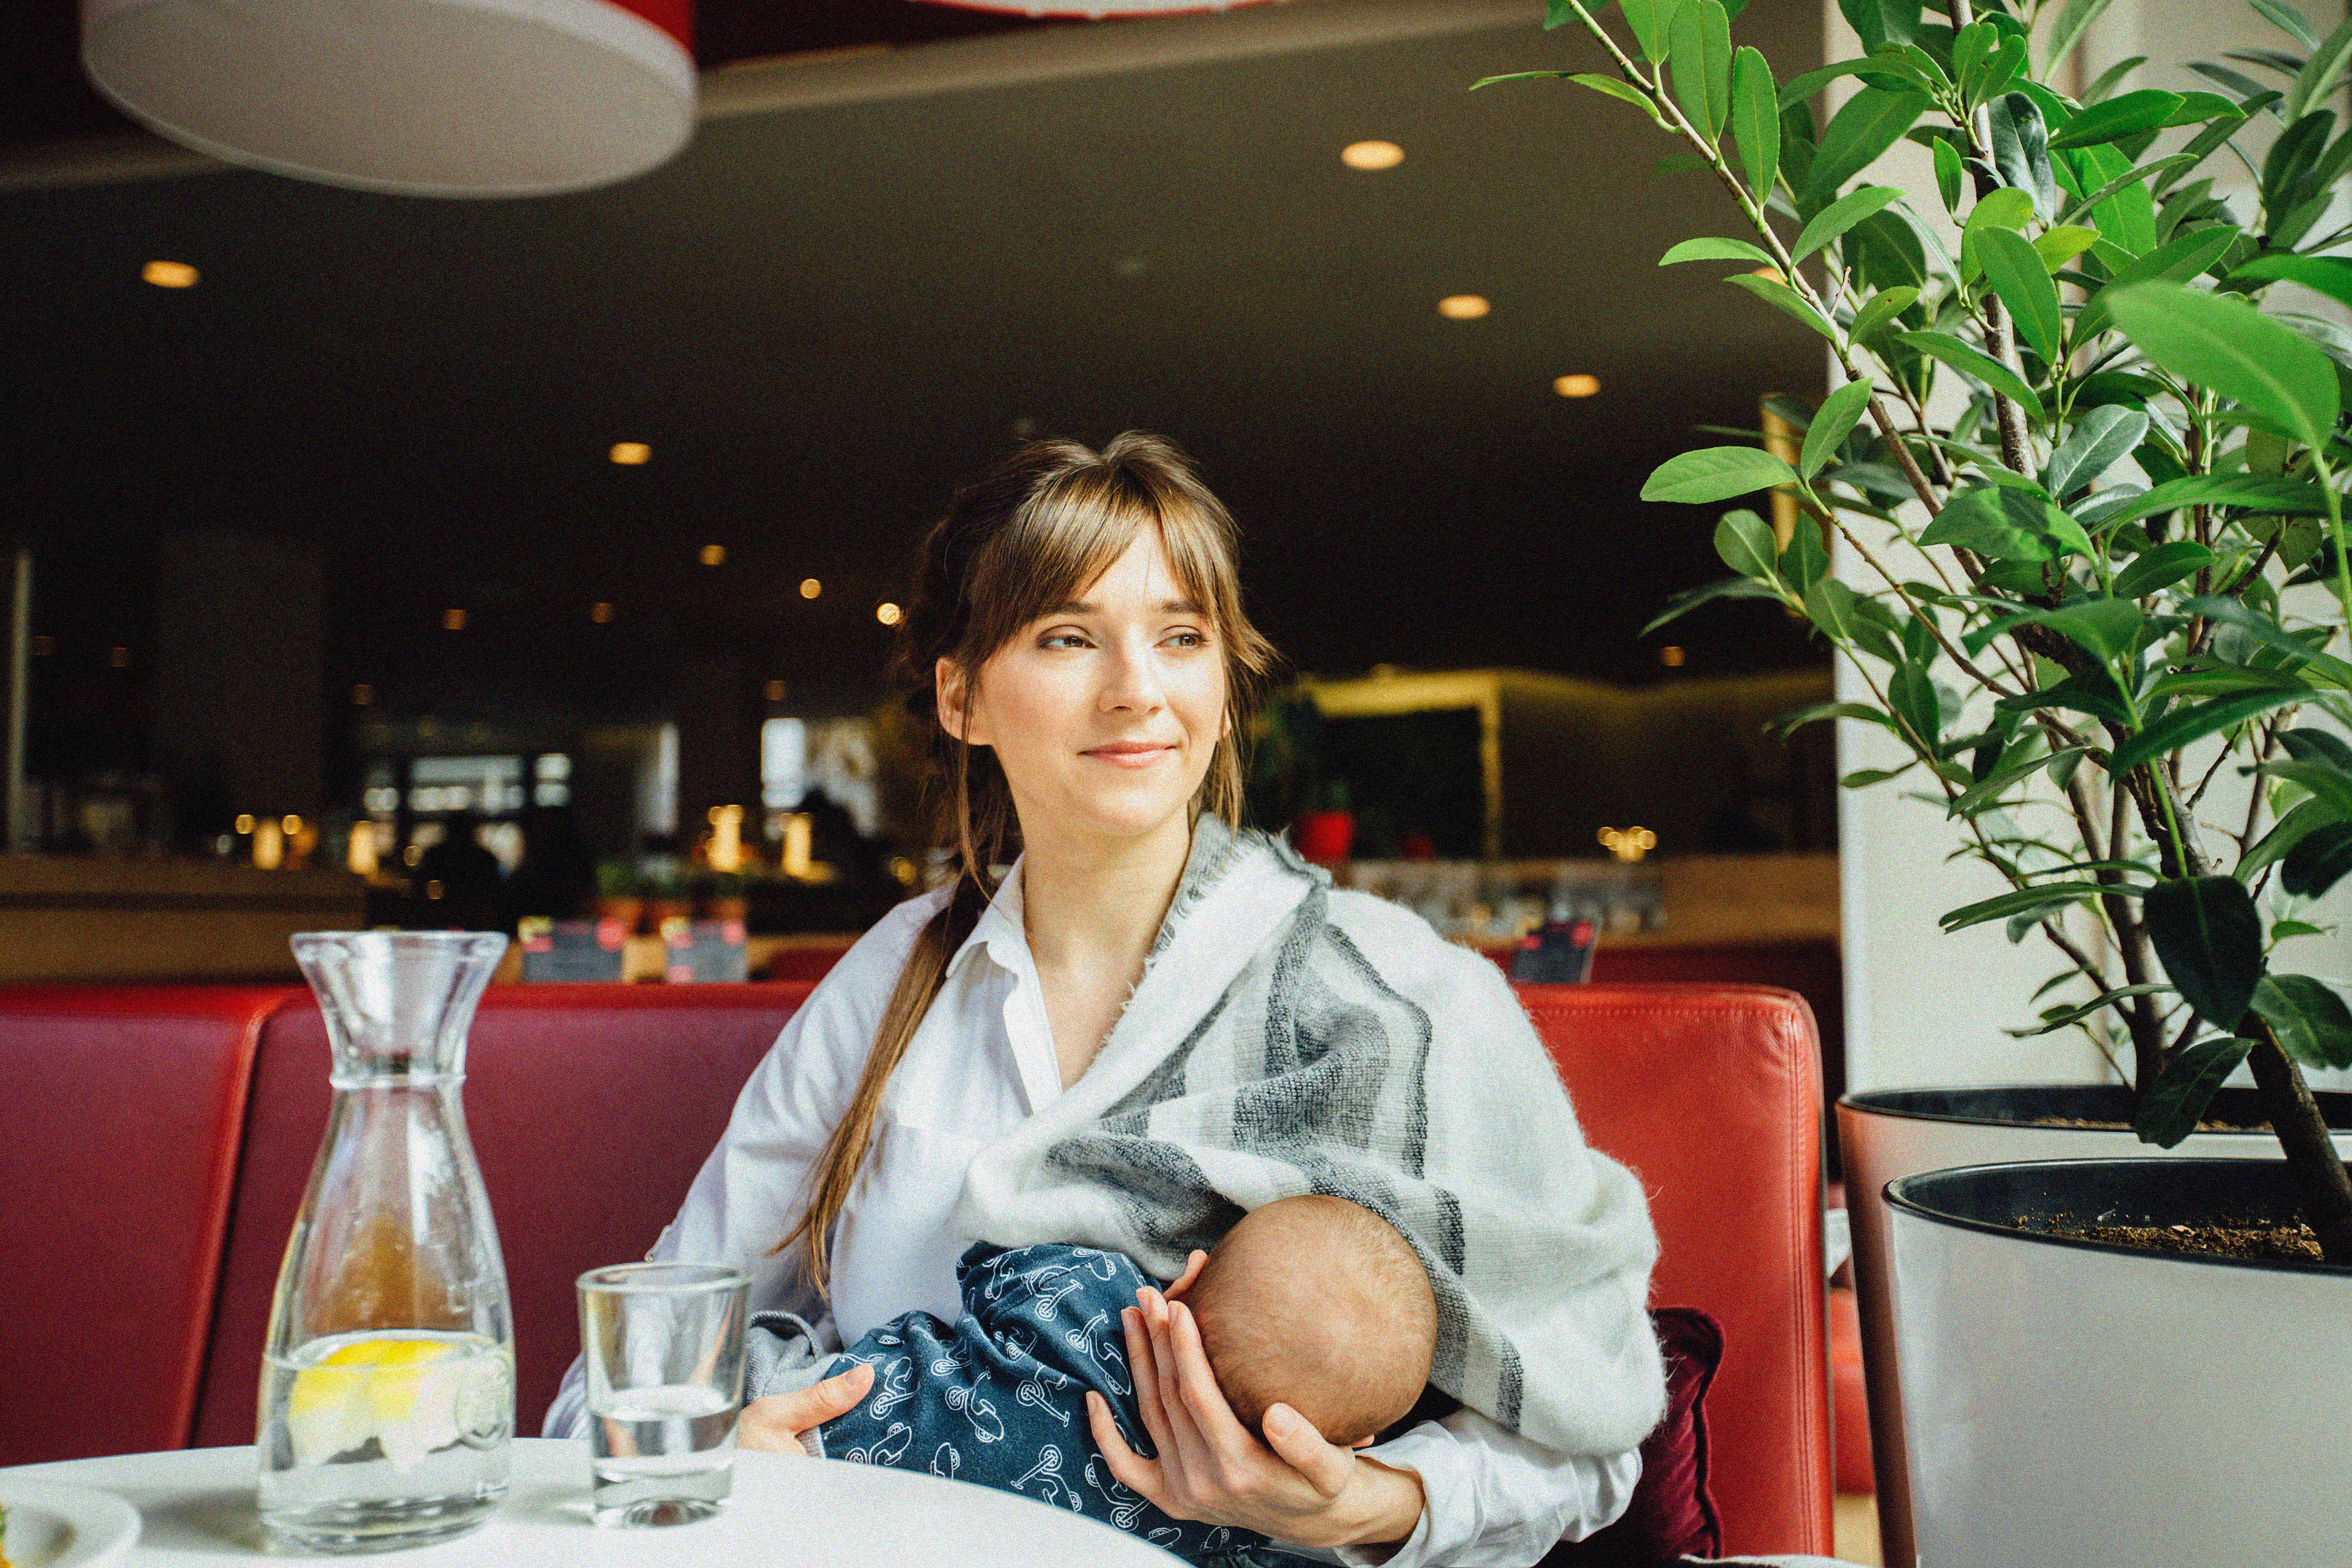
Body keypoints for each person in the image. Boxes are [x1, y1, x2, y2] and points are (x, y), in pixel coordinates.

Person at [545, 432, 1665, 1566]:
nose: (1138, 690)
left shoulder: (1399, 995)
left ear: (1223, 693)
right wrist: (717, 1443)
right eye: (1069, 636)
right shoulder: (896, 977)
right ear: (962, 697)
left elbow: (1597, 1427)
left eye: (1181, 637)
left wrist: (1371, 1505)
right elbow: (634, 1362)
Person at [742, 1196, 1438, 1566]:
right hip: (886, 1535)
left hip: (835, 1425)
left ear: (1188, 1276)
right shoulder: (1241, 1537)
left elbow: (983, 1270)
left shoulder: (1091, 1283)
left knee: (745, 1366)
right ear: (1345, 1445)